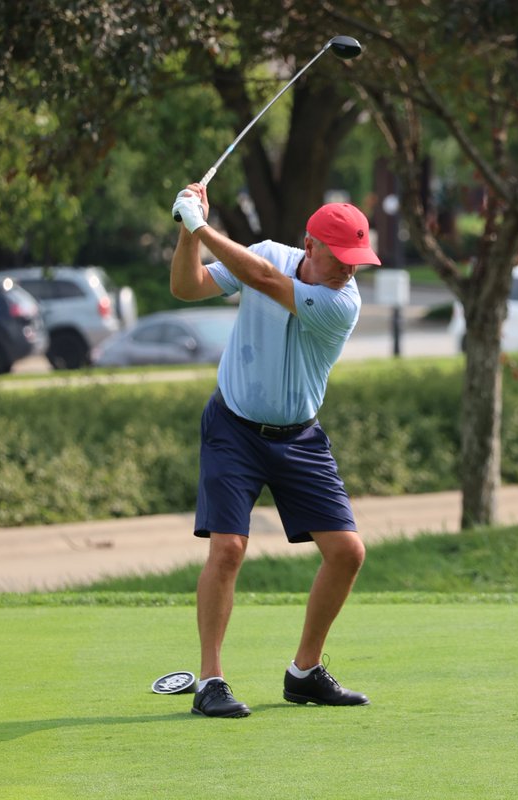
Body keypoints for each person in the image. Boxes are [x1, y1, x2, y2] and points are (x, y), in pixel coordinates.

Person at [170, 184, 381, 718]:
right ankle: (210, 681)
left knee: (348, 551)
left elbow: (262, 281)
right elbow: (187, 286)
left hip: (299, 436)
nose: (350, 271)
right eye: (341, 258)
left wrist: (200, 225)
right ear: (310, 245)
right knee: (228, 550)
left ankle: (304, 672)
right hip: (233, 427)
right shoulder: (264, 252)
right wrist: (186, 233)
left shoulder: (342, 302)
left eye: (358, 261)